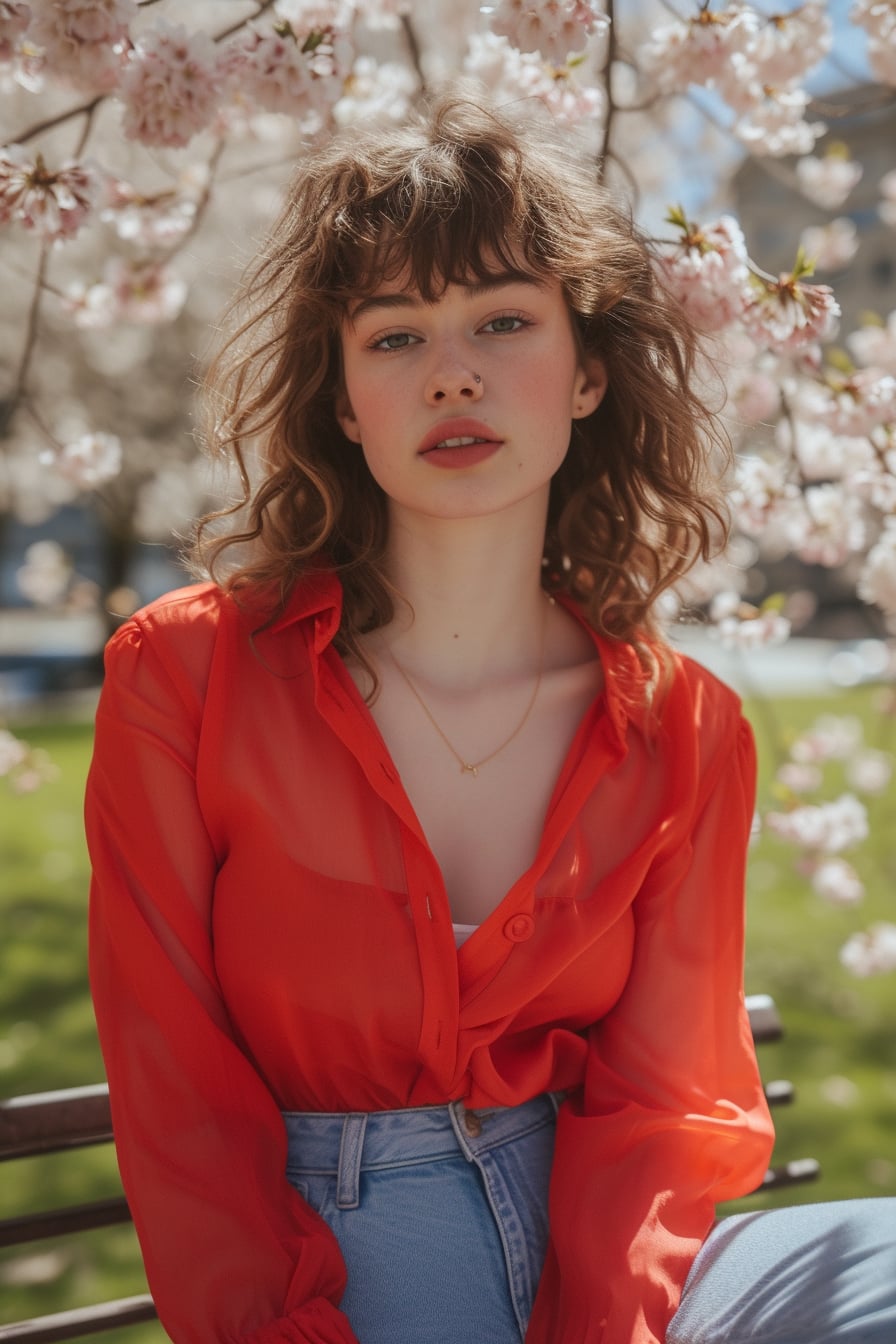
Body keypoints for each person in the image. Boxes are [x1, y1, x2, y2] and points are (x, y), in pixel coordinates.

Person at [85, 95, 896, 1344]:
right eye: (394, 336)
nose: (452, 371)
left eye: (502, 321)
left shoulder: (685, 726)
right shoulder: (188, 675)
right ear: (345, 403)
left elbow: (667, 1103)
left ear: (584, 376)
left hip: (617, 1246)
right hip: (337, 1249)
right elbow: (173, 1077)